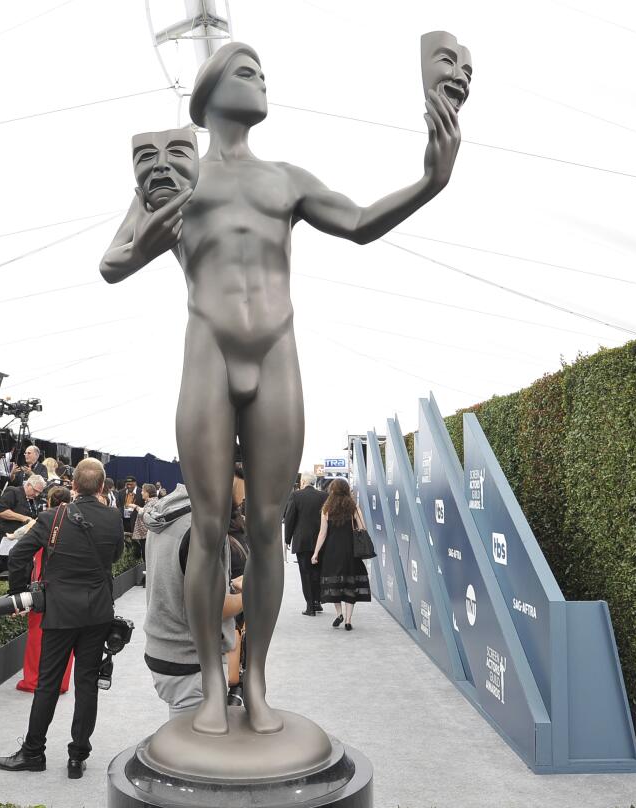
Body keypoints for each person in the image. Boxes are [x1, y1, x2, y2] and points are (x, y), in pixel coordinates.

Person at [99, 39, 464, 734]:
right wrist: (149, 237)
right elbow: (113, 262)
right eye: (245, 71)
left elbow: (358, 223)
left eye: (262, 71)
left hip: (277, 358)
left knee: (265, 527)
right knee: (209, 528)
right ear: (206, 95)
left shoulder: (285, 179)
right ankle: (212, 683)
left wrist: (431, 181)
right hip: (207, 352)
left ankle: (255, 678)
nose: (261, 80)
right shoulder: (175, 172)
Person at [0, 458, 124, 779]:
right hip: (97, 613)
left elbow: (19, 556)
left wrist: (19, 594)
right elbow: (117, 557)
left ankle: (33, 752)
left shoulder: (52, 517)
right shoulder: (112, 518)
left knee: (48, 684)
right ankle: (77, 757)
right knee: (87, 684)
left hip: (60, 611)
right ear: (103, 486)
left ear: (74, 485)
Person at [142, 484, 242, 718]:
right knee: (197, 747)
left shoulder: (168, 514)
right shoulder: (202, 527)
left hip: (165, 648)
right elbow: (211, 609)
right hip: (190, 657)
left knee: (184, 737)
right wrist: (250, 595)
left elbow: (181, 584)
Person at [16, 484, 76, 695]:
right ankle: (61, 682)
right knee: (66, 638)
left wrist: (17, 592)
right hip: (71, 590)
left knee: (36, 637)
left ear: (49, 502)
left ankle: (33, 680)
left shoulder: (43, 521)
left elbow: (19, 553)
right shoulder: (79, 522)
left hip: (43, 588)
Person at [311, 478, 372, 630]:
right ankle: (348, 620)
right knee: (350, 584)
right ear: (346, 490)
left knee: (334, 583)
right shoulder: (354, 508)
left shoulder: (327, 509)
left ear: (332, 490)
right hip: (351, 551)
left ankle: (339, 613)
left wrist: (316, 553)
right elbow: (363, 528)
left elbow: (322, 534)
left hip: (332, 551)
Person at [283, 473, 328, 616]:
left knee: (305, 573)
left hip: (301, 540)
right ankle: (317, 602)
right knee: (317, 572)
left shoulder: (296, 496)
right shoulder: (324, 496)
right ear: (314, 483)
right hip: (320, 541)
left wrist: (287, 539)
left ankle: (310, 607)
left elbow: (289, 518)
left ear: (303, 481)